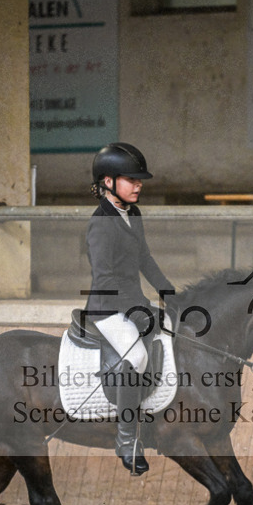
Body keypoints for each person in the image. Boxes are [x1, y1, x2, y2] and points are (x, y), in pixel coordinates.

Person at [84, 142, 174, 476]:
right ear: (108, 182)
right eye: (131, 179)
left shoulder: (131, 214)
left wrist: (169, 294)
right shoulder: (100, 224)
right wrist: (140, 309)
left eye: (140, 180)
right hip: (107, 308)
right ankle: (126, 440)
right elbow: (105, 278)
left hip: (133, 303)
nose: (139, 185)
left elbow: (145, 259)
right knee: (135, 357)